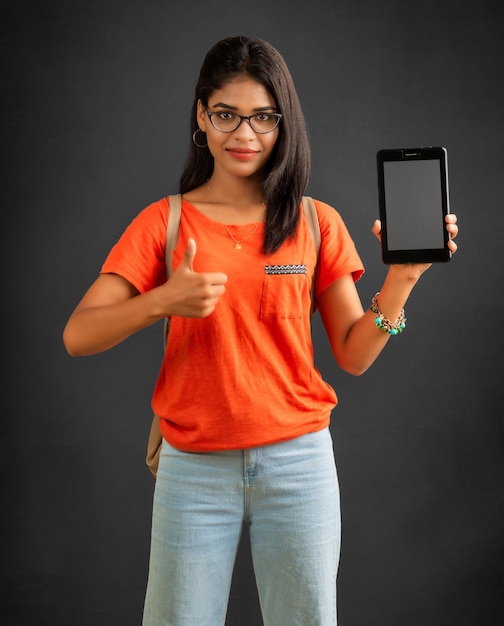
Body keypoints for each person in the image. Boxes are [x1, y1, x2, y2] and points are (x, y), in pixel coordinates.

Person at [63, 35, 458, 626]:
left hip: (299, 465)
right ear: (202, 115)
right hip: (192, 468)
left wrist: (401, 280)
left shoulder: (315, 222)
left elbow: (351, 353)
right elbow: (78, 334)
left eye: (263, 118)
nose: (244, 135)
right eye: (226, 115)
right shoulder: (164, 221)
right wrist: (161, 301)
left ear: (283, 122)